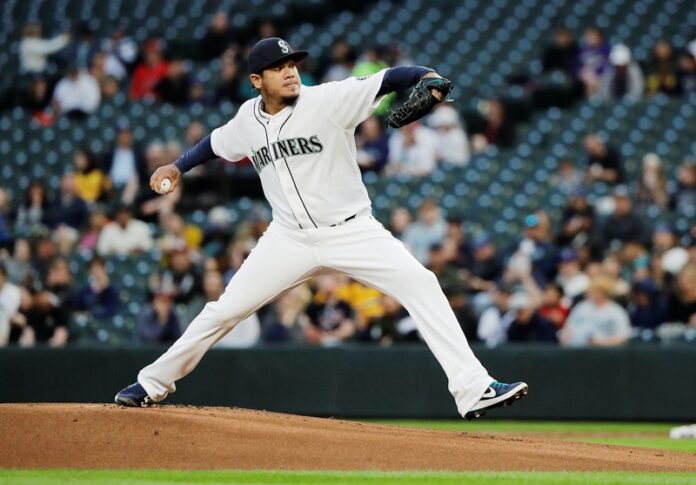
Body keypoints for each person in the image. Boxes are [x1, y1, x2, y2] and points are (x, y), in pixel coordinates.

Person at [115, 37, 527, 418]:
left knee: (421, 283)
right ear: (257, 80)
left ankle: (473, 387)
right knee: (223, 311)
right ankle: (152, 382)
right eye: (279, 67)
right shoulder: (247, 119)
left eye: (292, 63)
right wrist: (178, 165)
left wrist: (428, 78)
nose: (291, 70)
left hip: (351, 230)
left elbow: (390, 77)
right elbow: (214, 143)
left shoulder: (329, 99)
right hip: (288, 237)